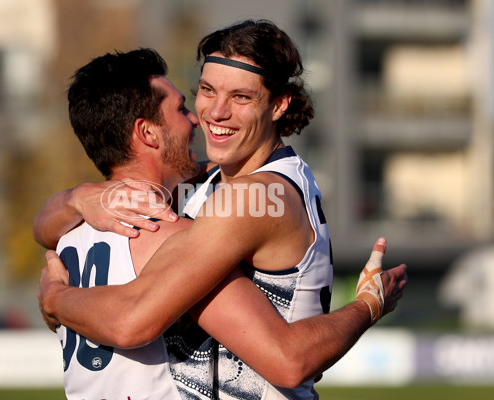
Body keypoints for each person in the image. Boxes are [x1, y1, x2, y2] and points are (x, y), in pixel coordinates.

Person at [37, 20, 407, 399]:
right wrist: (78, 198)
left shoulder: (255, 197)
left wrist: (55, 298)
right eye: (206, 91)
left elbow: (289, 361)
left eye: (241, 97)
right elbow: (45, 224)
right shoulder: (210, 181)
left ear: (279, 104)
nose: (213, 113)